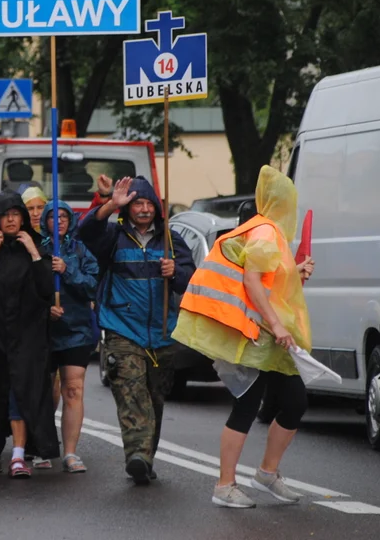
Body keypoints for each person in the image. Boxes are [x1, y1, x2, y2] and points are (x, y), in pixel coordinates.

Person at [173, 166, 315, 509]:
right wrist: (278, 326)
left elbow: (266, 279)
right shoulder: (266, 231)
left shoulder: (267, 232)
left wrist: (294, 274)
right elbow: (252, 282)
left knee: (295, 401)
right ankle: (224, 486)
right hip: (253, 335)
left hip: (266, 336)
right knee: (248, 405)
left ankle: (267, 473)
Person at [79, 174, 195, 486]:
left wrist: (177, 271)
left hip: (162, 332)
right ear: (128, 208)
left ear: (157, 207)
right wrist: (108, 206)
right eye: (136, 203)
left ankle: (147, 456)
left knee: (154, 398)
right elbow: (86, 231)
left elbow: (193, 279)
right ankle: (137, 456)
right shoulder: (113, 238)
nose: (143, 209)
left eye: (148, 203)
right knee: (131, 393)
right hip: (122, 329)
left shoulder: (171, 240)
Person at [0, 192, 59, 478]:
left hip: (27, 334)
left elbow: (48, 289)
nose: (10, 219)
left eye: (15, 214)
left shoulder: (33, 247)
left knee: (21, 392)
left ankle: (19, 454)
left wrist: (35, 253)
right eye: (5, 214)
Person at [41, 200, 100, 474]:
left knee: (73, 389)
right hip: (43, 332)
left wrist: (68, 270)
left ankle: (70, 452)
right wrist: (45, 309)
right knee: (44, 391)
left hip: (76, 330)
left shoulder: (80, 250)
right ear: (45, 221)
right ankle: (41, 445)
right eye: (54, 217)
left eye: (65, 216)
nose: (60, 221)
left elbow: (91, 286)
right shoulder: (36, 248)